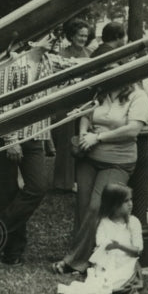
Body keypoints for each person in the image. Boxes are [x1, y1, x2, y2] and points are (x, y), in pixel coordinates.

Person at [51, 80, 148, 276]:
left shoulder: (138, 96)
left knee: (97, 206)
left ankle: (73, 261)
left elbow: (133, 129)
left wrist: (97, 138)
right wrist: (83, 135)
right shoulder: (98, 92)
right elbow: (86, 116)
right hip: (89, 156)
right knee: (83, 206)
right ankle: (88, 256)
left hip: (118, 160)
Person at [0, 39, 57, 266]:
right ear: (32, 39)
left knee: (38, 187)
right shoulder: (14, 63)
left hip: (35, 134)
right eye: (47, 34)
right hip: (9, 135)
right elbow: (2, 103)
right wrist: (10, 140)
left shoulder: (50, 62)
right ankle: (12, 252)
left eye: (54, 35)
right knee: (7, 193)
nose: (52, 39)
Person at [56, 183, 143, 294]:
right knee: (101, 280)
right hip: (107, 261)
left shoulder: (133, 222)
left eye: (131, 200)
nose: (130, 204)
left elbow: (138, 250)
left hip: (126, 260)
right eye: (125, 201)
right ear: (114, 205)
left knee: (118, 279)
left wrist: (119, 246)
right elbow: (101, 245)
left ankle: (118, 283)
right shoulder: (103, 223)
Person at [51, 17, 93, 192]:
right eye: (79, 35)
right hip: (65, 102)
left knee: (81, 140)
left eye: (85, 36)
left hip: (84, 102)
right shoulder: (61, 55)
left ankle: (79, 179)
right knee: (65, 141)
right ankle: (63, 182)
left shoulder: (90, 55)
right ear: (71, 36)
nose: (82, 39)